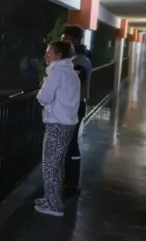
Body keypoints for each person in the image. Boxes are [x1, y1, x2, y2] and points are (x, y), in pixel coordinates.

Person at [35, 41, 80, 217]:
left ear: (59, 56)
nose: (46, 56)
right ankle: (51, 198)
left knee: (50, 165)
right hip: (67, 124)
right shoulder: (70, 72)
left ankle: (54, 207)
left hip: (57, 124)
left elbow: (44, 97)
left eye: (49, 53)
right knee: (57, 164)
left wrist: (41, 90)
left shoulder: (56, 72)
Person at [61, 25, 93, 197]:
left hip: (74, 106)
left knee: (71, 143)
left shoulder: (79, 60)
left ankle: (72, 183)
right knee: (69, 143)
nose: (63, 41)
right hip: (73, 105)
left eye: (65, 38)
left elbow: (73, 84)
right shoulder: (77, 58)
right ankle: (69, 181)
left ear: (75, 40)